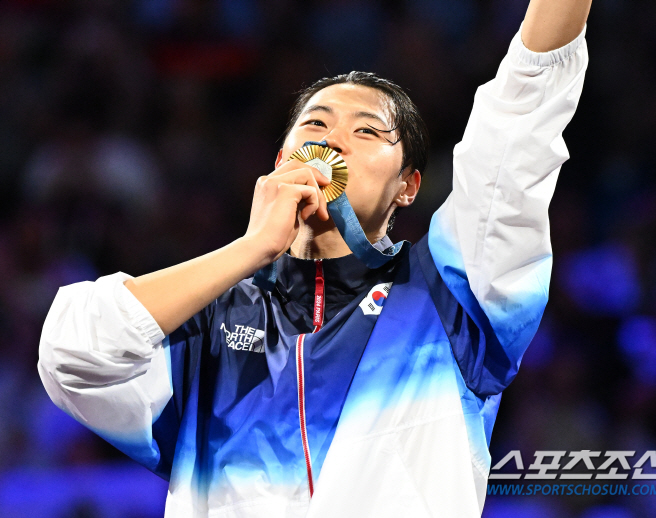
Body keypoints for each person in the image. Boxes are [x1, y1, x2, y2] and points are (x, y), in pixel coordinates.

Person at [38, 0, 592, 516]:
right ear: (281, 161)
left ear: (408, 186)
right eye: (316, 124)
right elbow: (72, 352)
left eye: (368, 131)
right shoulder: (205, 324)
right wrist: (251, 249)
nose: (334, 142)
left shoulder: (451, 295)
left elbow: (521, 117)